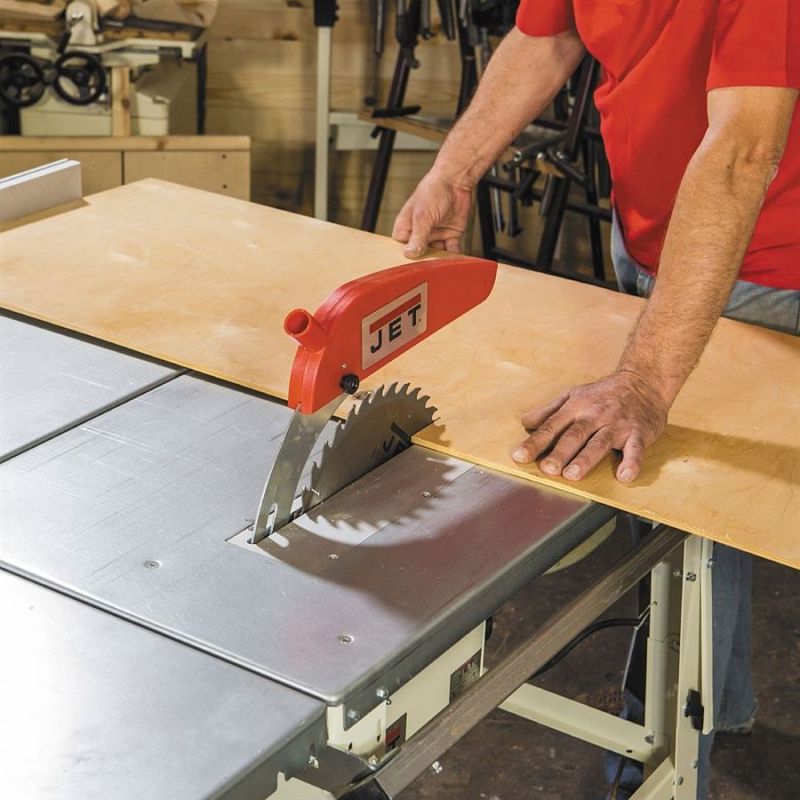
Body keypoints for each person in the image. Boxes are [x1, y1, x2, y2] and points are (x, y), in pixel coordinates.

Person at [391, 2, 799, 798]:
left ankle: (663, 768)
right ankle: (719, 708)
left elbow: (744, 151)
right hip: (651, 235)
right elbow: (547, 35)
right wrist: (453, 172)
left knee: (691, 512)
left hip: (765, 259)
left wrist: (644, 381)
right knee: (690, 513)